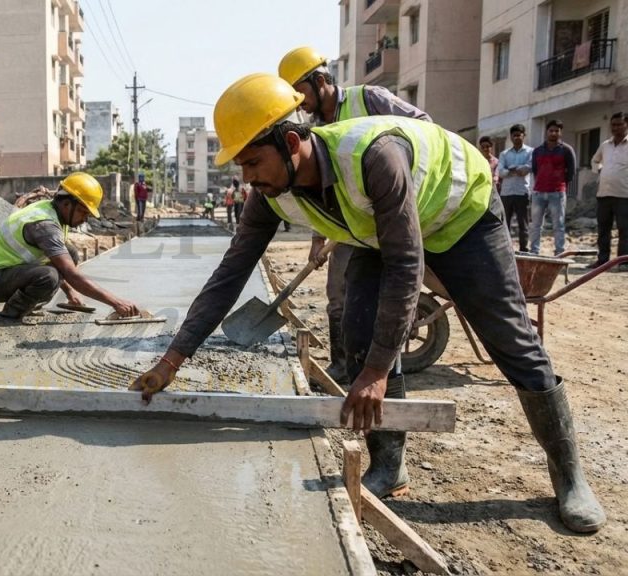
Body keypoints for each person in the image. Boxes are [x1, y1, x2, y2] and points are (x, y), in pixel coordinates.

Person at [130, 74, 605, 533]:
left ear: (291, 144)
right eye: (241, 169)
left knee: (509, 339)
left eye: (252, 163)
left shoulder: (375, 156)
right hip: (381, 232)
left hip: (460, 215)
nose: (248, 178)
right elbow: (228, 276)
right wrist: (174, 357)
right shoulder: (269, 195)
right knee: (357, 331)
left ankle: (569, 478)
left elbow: (406, 265)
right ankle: (389, 465)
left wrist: (378, 371)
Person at [278, 46, 431, 382]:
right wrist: (318, 239)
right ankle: (342, 364)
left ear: (319, 81)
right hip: (348, 226)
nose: (298, 104)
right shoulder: (315, 130)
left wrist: (400, 191)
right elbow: (320, 188)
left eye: (299, 93)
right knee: (337, 296)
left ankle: (383, 372)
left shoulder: (370, 100)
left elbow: (425, 129)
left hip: (390, 219)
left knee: (384, 294)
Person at [0, 172, 140, 321]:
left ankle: (29, 304)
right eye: (83, 212)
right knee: (49, 277)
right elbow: (70, 274)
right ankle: (9, 316)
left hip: (12, 272)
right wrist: (115, 302)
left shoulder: (56, 214)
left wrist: (70, 293)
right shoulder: (44, 225)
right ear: (67, 204)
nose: (85, 219)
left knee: (70, 253)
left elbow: (59, 262)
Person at [530, 120, 576, 255]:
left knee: (559, 225)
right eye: (551, 130)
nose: (554, 133)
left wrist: (560, 185)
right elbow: (535, 170)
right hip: (539, 193)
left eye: (557, 131)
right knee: (536, 225)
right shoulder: (537, 151)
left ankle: (560, 252)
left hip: (557, 192)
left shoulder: (566, 150)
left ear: (560, 133)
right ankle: (534, 251)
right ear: (547, 132)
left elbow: (571, 172)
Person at [589, 112, 628, 271]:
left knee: (625, 230)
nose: (616, 127)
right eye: (613, 125)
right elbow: (594, 160)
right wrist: (597, 169)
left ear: (626, 125)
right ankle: (603, 261)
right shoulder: (605, 145)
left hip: (624, 195)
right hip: (604, 194)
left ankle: (623, 262)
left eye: (619, 124)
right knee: (603, 230)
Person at [497, 124, 533, 252]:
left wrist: (512, 169)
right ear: (511, 137)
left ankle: (524, 248)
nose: (517, 137)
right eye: (514, 135)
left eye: (519, 135)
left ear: (524, 136)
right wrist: (514, 170)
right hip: (506, 193)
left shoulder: (530, 152)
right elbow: (500, 172)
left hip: (522, 192)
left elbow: (527, 169)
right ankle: (506, 249)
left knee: (523, 223)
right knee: (504, 224)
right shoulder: (504, 154)